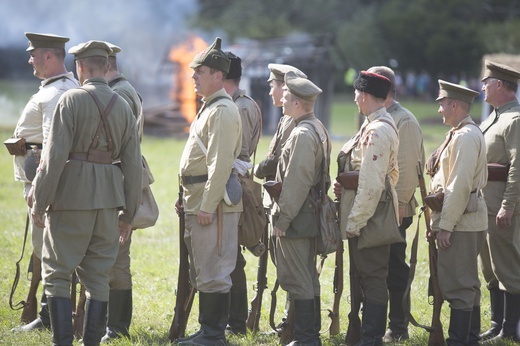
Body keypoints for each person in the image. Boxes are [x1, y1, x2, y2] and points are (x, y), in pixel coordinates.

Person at [29, 40, 142, 346]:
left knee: (57, 273)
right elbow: (133, 167)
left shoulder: (70, 100)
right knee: (98, 278)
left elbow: (52, 158)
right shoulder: (123, 105)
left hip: (70, 198)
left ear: (79, 66)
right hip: (109, 202)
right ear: (107, 66)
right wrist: (129, 214)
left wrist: (39, 201)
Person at [10, 32, 79, 333]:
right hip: (46, 181)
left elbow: (53, 144)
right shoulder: (59, 88)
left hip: (45, 183)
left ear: (49, 56)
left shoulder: (55, 94)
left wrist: (39, 188)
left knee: (50, 254)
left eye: (34, 54)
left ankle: (49, 319)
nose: (30, 59)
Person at [175, 37, 242, 346]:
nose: (193, 77)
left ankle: (214, 335)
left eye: (199, 72)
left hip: (211, 205)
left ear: (218, 75)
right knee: (205, 267)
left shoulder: (223, 112)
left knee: (214, 269)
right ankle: (207, 330)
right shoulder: (210, 108)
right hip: (199, 199)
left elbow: (219, 164)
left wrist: (206, 205)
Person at [334, 71, 399, 346]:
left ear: (363, 94)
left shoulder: (378, 130)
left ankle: (372, 338)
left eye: (356, 93)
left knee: (372, 278)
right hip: (366, 213)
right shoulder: (372, 125)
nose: (354, 99)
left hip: (371, 217)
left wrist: (354, 222)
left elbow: (372, 185)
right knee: (363, 275)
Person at [426, 80, 487, 346]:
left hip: (461, 221)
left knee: (458, 286)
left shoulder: (465, 136)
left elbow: (459, 185)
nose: (439, 110)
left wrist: (446, 225)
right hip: (464, 218)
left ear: (453, 104)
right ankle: (469, 340)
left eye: (442, 104)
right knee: (467, 285)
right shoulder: (460, 133)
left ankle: (458, 342)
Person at [366, 66, 425, 343]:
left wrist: (400, 207)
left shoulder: (405, 121)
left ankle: (398, 326)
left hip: (395, 209)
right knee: (378, 267)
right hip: (377, 207)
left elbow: (408, 168)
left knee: (395, 268)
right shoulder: (378, 117)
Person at [272, 71, 327, 346]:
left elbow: (296, 181)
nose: (282, 102)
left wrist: (282, 219)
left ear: (296, 103)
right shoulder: (314, 126)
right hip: (306, 214)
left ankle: (306, 339)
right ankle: (309, 335)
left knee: (298, 278)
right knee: (307, 277)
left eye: (286, 98)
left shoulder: (303, 134)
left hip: (298, 216)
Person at [253, 63, 307, 337]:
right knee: (286, 269)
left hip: (290, 205)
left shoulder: (295, 123)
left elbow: (283, 163)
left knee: (294, 272)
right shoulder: (288, 119)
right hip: (279, 201)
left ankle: (294, 325)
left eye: (274, 85)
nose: (272, 90)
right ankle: (291, 323)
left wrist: (261, 167)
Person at [100, 41, 144, 342]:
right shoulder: (124, 90)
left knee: (116, 258)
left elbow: (114, 145)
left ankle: (116, 327)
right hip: (114, 181)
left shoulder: (119, 94)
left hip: (116, 183)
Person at [479, 60, 520, 344]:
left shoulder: (514, 119)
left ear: (501, 85)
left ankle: (510, 330)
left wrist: (508, 205)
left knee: (507, 267)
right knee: (490, 268)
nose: (482, 86)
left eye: (486, 82)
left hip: (501, 207)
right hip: (485, 206)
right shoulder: (493, 118)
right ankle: (496, 324)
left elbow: (517, 167)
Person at [222, 51, 262, 335]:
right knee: (226, 254)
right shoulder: (231, 104)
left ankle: (236, 322)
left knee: (232, 257)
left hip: (235, 188)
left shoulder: (241, 107)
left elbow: (242, 158)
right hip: (228, 186)